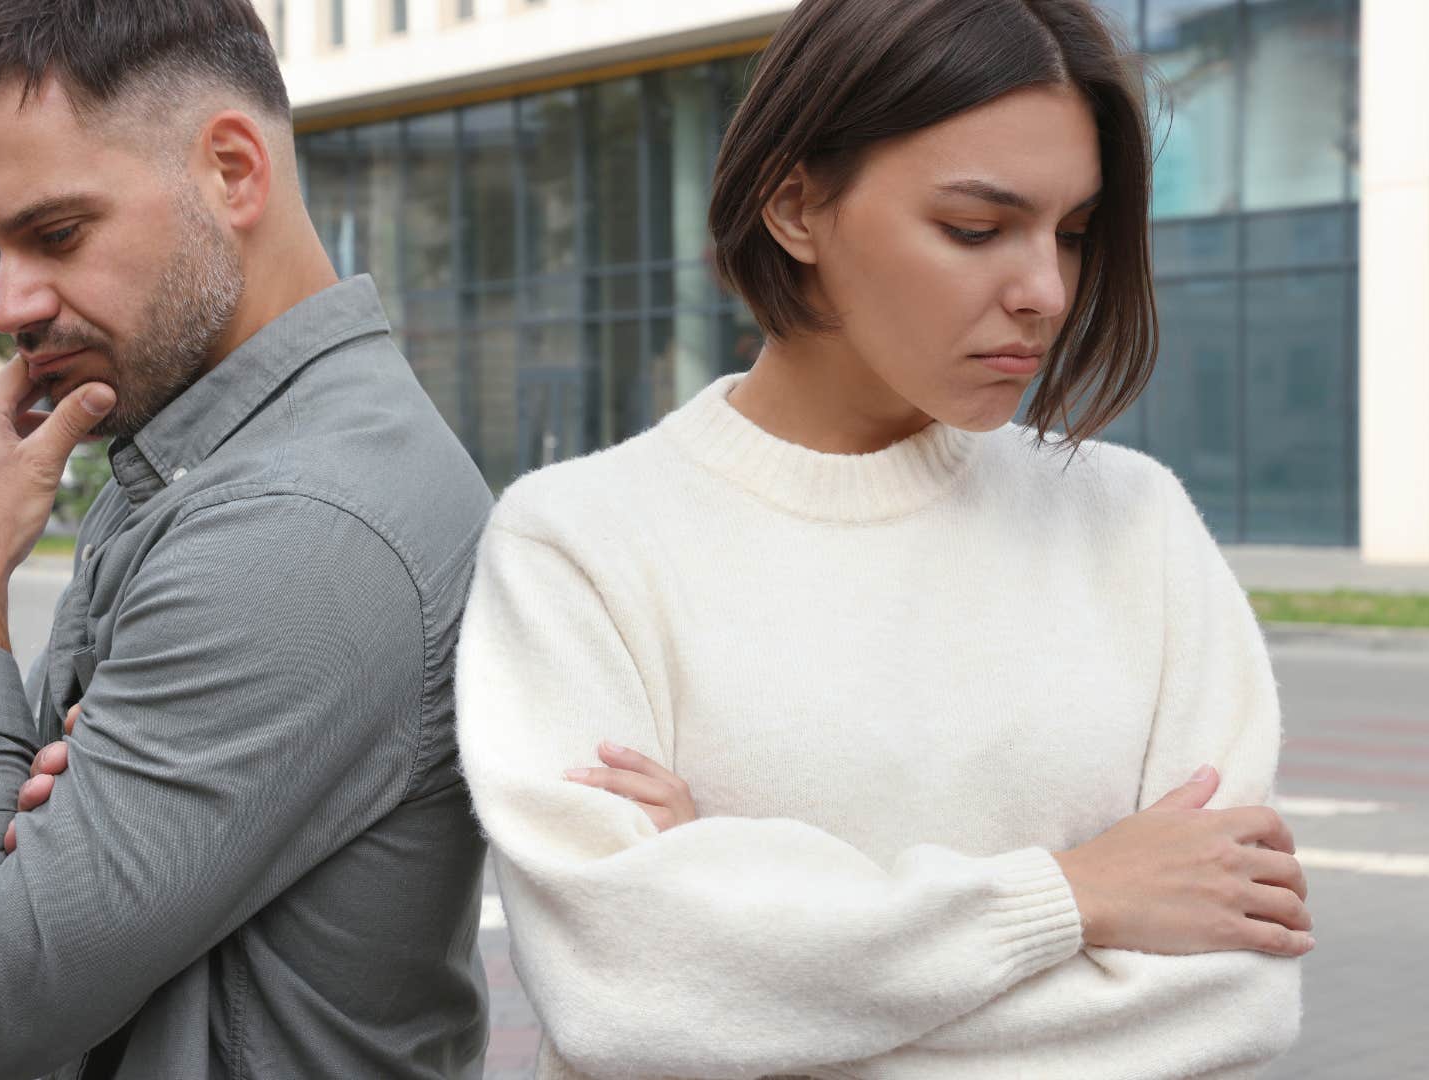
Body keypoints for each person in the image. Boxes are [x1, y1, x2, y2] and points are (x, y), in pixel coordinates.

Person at [453, 1, 1311, 1076]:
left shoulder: (1132, 525)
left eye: (1075, 233)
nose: (1044, 290)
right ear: (796, 204)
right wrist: (1079, 896)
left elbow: (1231, 997)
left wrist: (754, 923)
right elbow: (628, 994)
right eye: (974, 228)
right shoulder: (580, 545)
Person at [0, 2, 493, 1076]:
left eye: (56, 234)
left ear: (234, 171)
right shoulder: (196, 445)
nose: (8, 305)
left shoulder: (300, 531)